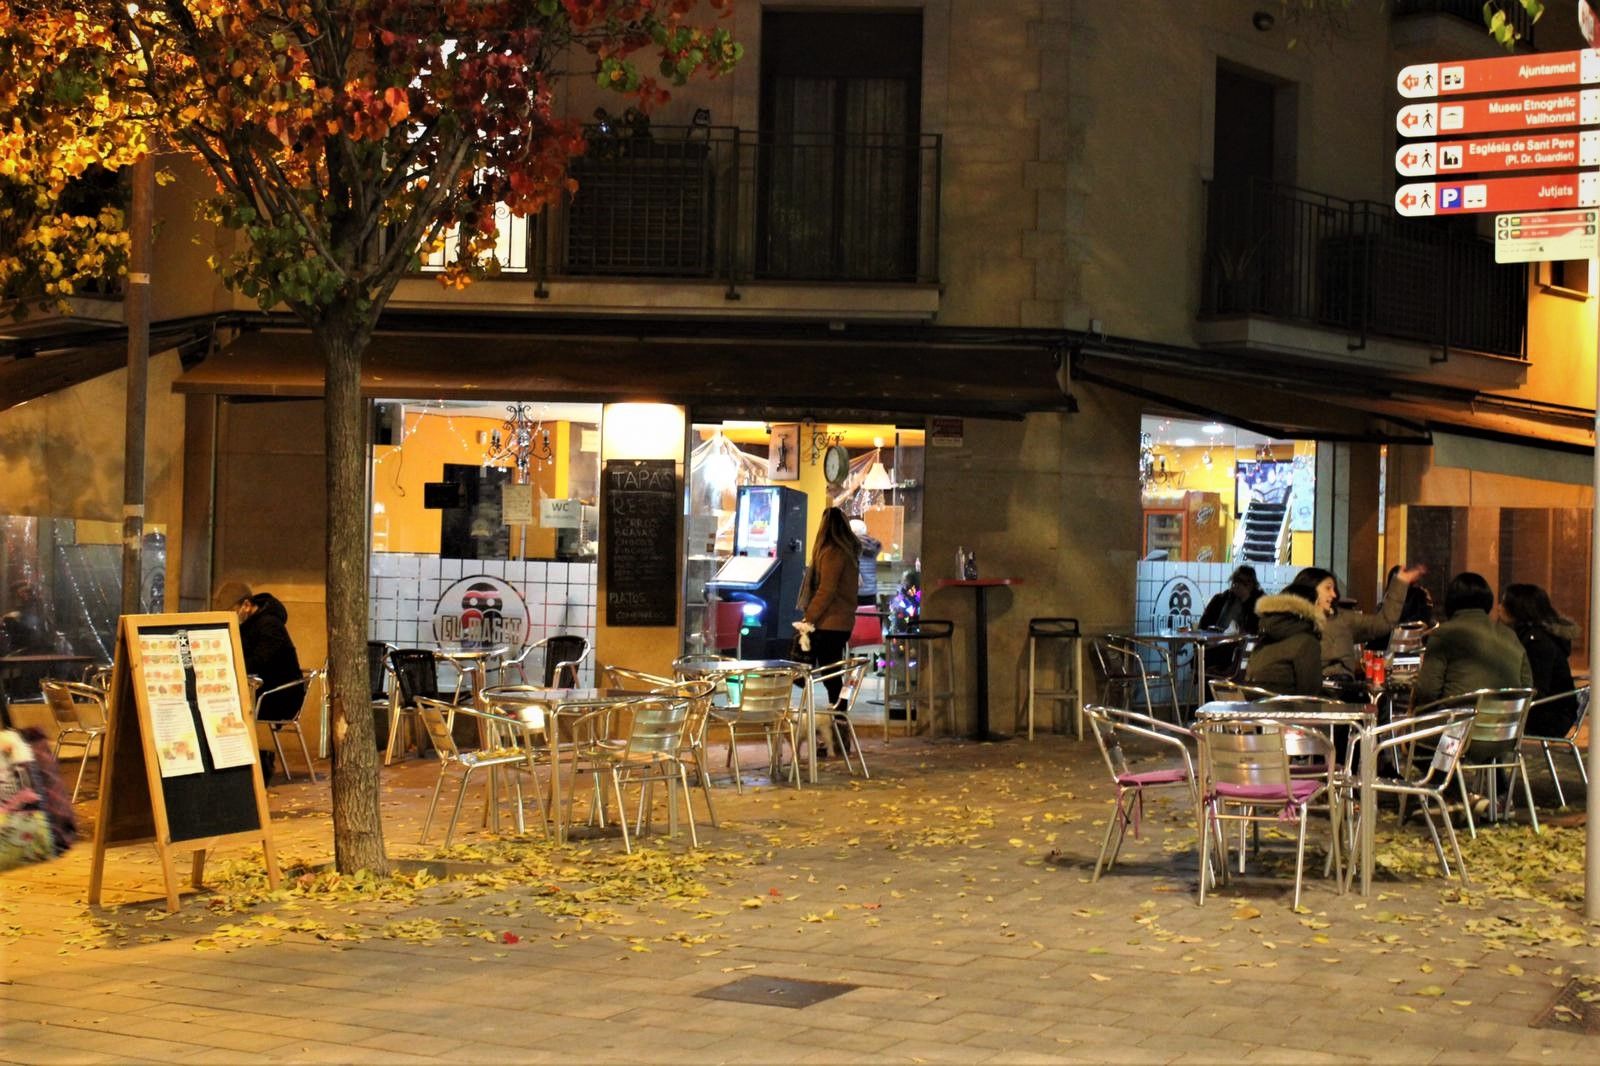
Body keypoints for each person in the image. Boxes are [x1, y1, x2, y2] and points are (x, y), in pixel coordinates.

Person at [216, 583, 305, 779]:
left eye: (231, 612)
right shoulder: (251, 625)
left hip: (279, 696)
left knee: (226, 708)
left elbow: (260, 661)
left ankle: (248, 764)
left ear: (246, 605)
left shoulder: (269, 626)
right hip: (264, 690)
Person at [794, 508, 860, 755]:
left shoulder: (832, 553)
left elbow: (826, 590)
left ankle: (836, 734)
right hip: (841, 623)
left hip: (829, 624)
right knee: (832, 676)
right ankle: (836, 734)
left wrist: (808, 617)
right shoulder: (848, 553)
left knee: (831, 678)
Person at [1412, 572, 1532, 708]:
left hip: (1456, 725)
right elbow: (1526, 686)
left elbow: (1427, 691)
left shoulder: (1442, 634)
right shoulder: (1510, 635)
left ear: (1451, 601)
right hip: (1503, 725)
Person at [1293, 564, 1424, 681]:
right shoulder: (1292, 622)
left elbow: (1383, 623)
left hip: (1344, 691)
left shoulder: (1343, 618)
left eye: (1334, 589)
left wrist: (1401, 583)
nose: (1333, 594)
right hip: (1311, 692)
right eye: (1328, 588)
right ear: (1311, 589)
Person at [1499, 582, 1580, 737]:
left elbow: (1537, 687)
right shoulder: (1530, 637)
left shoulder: (1537, 642)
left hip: (1549, 716)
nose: (1499, 607)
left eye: (1504, 602)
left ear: (1517, 609)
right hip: (1549, 710)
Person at [1243, 583, 1324, 696]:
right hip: (1285, 710)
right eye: (1319, 603)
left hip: (1254, 707)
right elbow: (1310, 695)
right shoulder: (1307, 642)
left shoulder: (1265, 635)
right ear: (1310, 607)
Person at [1199, 565, 1262, 678]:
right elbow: (1204, 626)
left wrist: (1245, 599)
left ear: (1252, 585)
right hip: (1216, 650)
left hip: (1242, 655)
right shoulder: (1220, 600)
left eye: (1244, 583)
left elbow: (1254, 631)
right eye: (1236, 581)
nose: (1238, 586)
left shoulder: (1258, 604)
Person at [1364, 565, 1434, 651]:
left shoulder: (1395, 597)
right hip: (1414, 644)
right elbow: (1425, 618)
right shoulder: (1421, 594)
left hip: (1392, 641)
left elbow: (1381, 624)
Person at [1, 582, 55, 655]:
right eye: (22, 595)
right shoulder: (9, 619)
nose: (27, 597)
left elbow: (48, 642)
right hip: (17, 661)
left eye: (30, 593)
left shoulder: (44, 620)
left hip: (41, 659)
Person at [849, 518, 882, 607]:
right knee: (868, 617)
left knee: (856, 619)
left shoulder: (851, 545)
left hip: (854, 592)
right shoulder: (872, 545)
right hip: (871, 592)